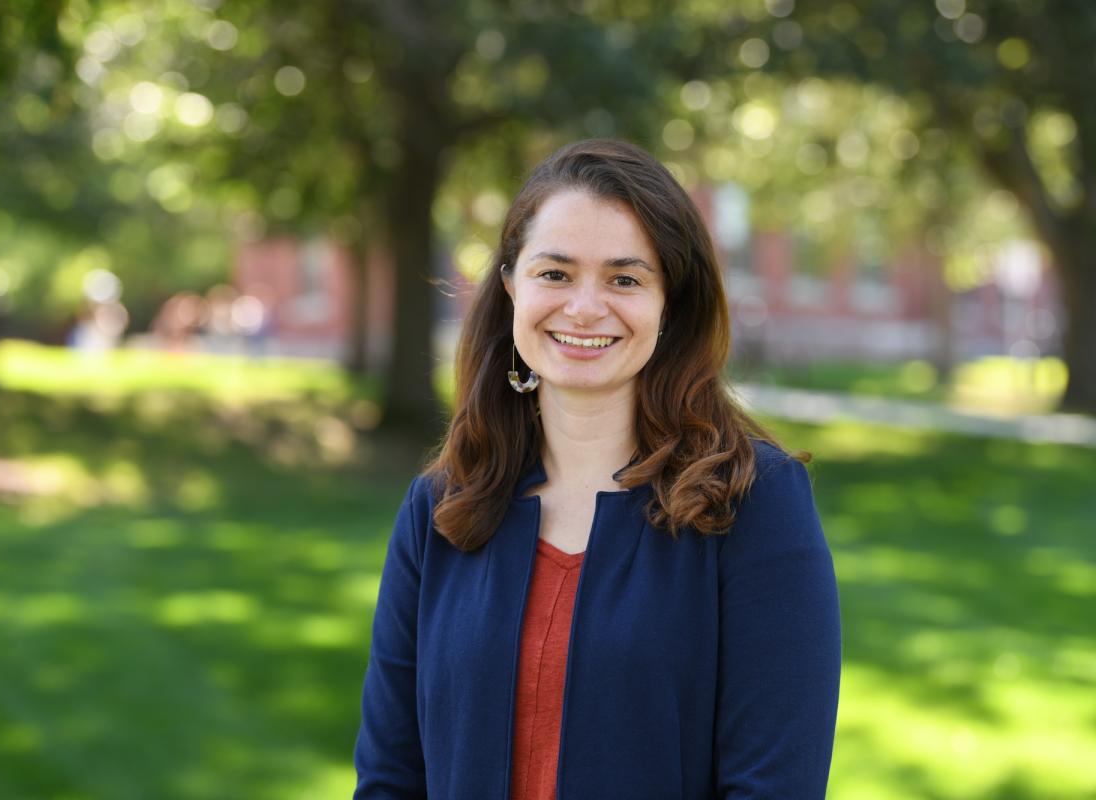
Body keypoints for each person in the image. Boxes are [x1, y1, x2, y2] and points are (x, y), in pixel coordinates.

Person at [354, 139, 841, 799]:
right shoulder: (442, 509)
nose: (584, 308)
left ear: (672, 302)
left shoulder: (755, 503)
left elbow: (773, 788)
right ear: (509, 286)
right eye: (554, 273)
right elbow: (389, 780)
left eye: (624, 278)